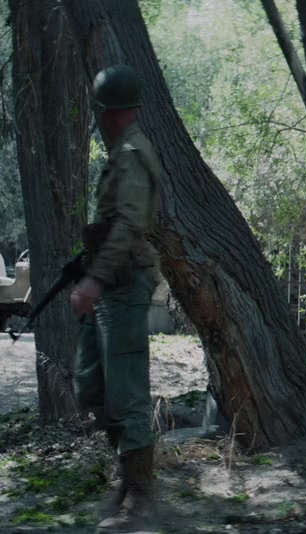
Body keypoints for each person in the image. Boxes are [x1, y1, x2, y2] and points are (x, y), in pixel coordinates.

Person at [70, 63, 164, 531]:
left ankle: (140, 499)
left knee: (127, 393)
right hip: (111, 284)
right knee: (91, 385)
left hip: (123, 285)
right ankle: (127, 482)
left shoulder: (131, 154)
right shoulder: (123, 151)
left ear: (107, 111)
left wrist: (95, 280)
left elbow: (128, 225)